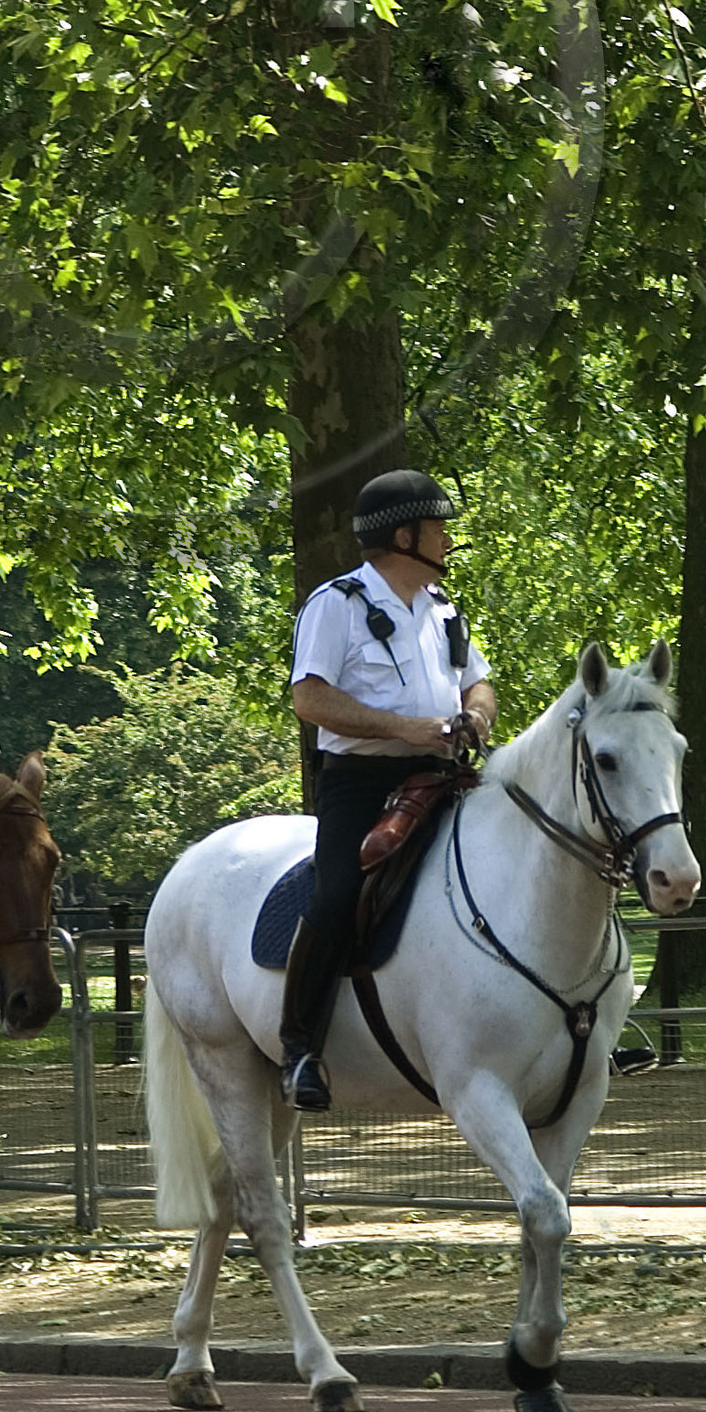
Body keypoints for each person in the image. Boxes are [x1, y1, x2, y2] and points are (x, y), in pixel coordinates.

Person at [279, 468, 497, 1112]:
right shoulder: (336, 604)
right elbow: (309, 698)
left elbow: (477, 684)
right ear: (404, 535)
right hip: (361, 783)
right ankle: (299, 1049)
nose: (448, 540)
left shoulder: (443, 610)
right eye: (438, 529)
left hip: (442, 773)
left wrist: (476, 716)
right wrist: (406, 728)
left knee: (527, 854)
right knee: (340, 892)